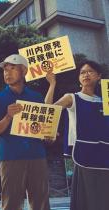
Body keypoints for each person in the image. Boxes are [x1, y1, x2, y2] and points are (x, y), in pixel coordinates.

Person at [0, 54, 51, 210]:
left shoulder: (36, 97)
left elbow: (43, 130)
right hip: (11, 157)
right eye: (5, 70)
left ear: (24, 71)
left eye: (12, 68)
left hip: (37, 156)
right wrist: (8, 117)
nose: (7, 73)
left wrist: (49, 135)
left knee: (41, 204)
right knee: (11, 205)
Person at [45, 60, 109, 210]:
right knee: (87, 201)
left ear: (99, 76)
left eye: (90, 71)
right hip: (84, 155)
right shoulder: (72, 97)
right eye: (82, 72)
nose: (86, 74)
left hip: (106, 156)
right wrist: (52, 84)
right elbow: (48, 111)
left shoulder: (105, 100)